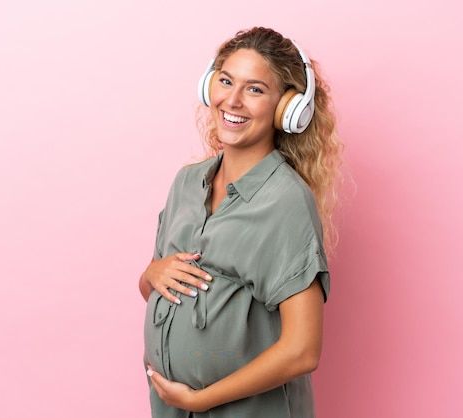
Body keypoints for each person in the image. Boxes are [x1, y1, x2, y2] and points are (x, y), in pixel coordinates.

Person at [139, 26, 343, 417]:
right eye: (226, 81)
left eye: (254, 89)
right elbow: (154, 290)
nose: (232, 100)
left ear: (287, 109)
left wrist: (201, 399)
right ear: (208, 86)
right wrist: (153, 271)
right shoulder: (187, 182)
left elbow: (302, 349)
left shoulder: (286, 201)